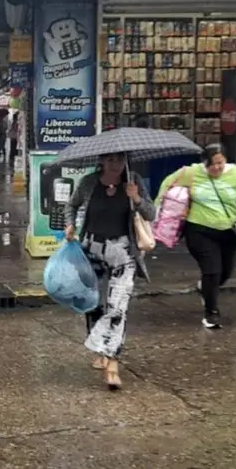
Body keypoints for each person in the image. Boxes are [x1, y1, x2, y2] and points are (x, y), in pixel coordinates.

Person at [64, 152, 156, 390]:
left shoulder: (133, 180)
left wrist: (136, 198)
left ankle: (112, 364)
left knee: (118, 308)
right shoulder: (89, 182)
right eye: (111, 160)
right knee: (93, 304)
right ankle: (100, 348)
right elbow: (71, 206)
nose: (116, 164)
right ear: (102, 161)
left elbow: (151, 214)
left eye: (120, 159)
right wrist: (70, 224)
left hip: (123, 251)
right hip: (91, 249)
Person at [156, 143, 236, 329]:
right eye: (212, 164)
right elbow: (167, 184)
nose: (217, 168)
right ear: (204, 163)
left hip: (229, 231)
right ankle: (211, 313)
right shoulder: (191, 173)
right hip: (199, 230)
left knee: (225, 272)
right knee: (212, 270)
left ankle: (204, 288)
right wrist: (157, 210)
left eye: (221, 163)